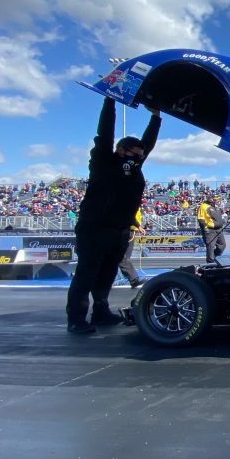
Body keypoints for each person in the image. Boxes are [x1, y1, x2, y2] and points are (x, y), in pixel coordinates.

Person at [66, 98, 161, 334]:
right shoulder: (103, 161)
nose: (140, 157)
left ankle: (100, 310)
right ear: (121, 150)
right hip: (94, 227)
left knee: (108, 273)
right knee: (86, 274)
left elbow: (148, 144)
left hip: (119, 230)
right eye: (135, 153)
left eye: (141, 154)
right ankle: (76, 319)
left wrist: (156, 117)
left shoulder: (136, 166)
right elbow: (104, 133)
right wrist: (111, 101)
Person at [117, 206, 145, 288]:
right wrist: (138, 226)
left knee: (125, 258)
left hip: (130, 231)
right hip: (124, 230)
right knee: (121, 257)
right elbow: (129, 215)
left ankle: (132, 279)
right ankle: (133, 279)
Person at [197, 194, 226, 262]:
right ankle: (210, 262)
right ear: (210, 199)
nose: (216, 200)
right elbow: (200, 219)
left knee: (222, 245)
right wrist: (205, 228)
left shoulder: (216, 207)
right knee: (210, 246)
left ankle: (214, 258)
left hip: (219, 229)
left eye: (217, 199)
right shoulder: (203, 206)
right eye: (214, 199)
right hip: (210, 230)